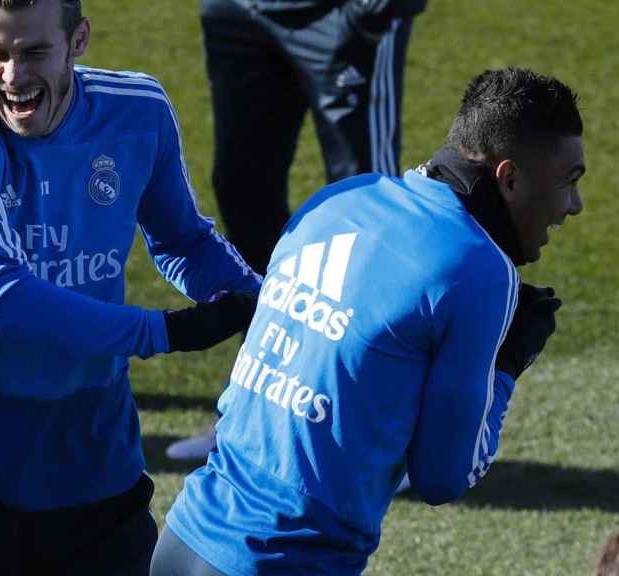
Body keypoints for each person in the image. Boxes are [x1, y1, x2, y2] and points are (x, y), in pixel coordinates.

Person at [151, 67, 585, 575]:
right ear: (509, 178)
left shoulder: (343, 197)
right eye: (569, 182)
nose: (573, 206)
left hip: (183, 538)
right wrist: (507, 366)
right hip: (288, 560)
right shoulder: (479, 268)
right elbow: (443, 477)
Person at [0, 1, 261, 574]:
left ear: (79, 39)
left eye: (34, 51)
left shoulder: (137, 111)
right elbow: (2, 301)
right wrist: (164, 331)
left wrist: (259, 304)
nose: (13, 77)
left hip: (97, 458)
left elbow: (183, 241)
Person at [166, 0, 428, 460]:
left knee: (371, 214)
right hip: (239, 12)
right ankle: (255, 410)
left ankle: (389, 431)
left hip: (339, 15)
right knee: (242, 191)